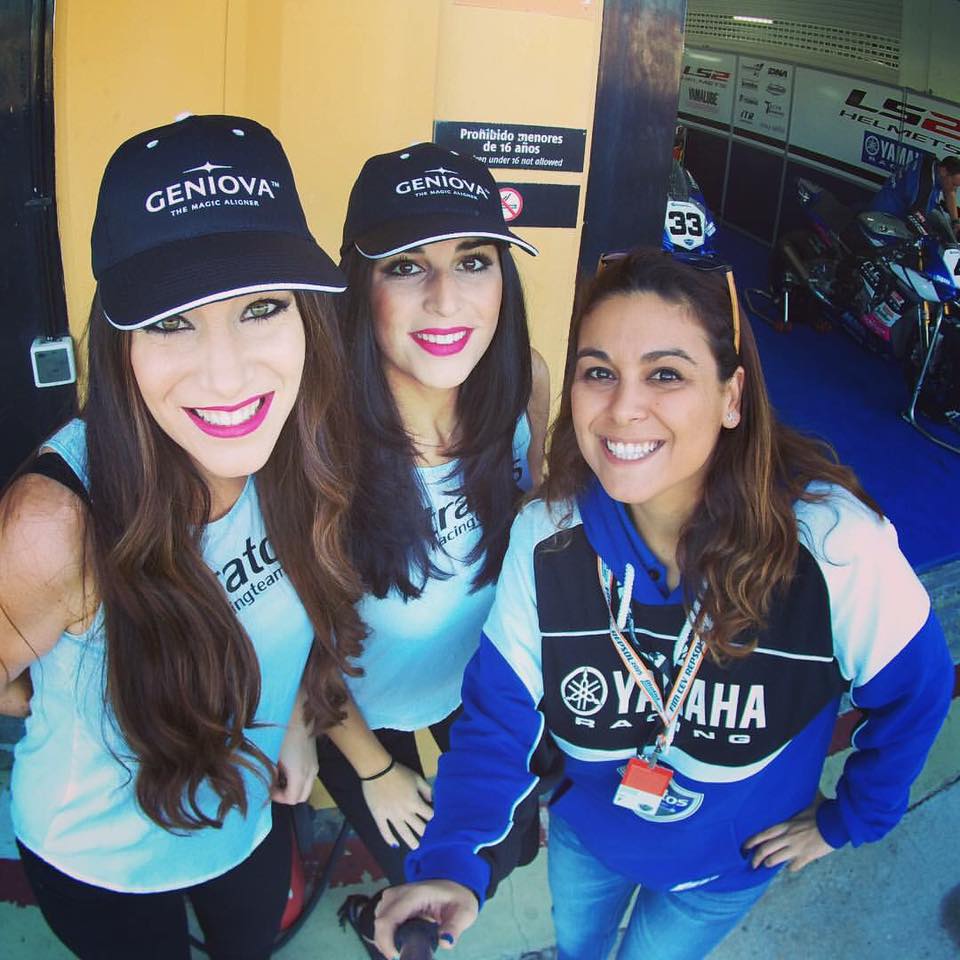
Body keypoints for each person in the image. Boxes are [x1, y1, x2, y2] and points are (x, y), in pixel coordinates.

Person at [372, 249, 953, 960]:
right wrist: (453, 863)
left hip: (729, 866)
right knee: (579, 947)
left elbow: (918, 693)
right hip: (588, 837)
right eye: (598, 372)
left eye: (666, 374)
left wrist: (848, 821)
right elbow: (499, 719)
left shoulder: (831, 546)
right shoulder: (547, 538)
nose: (623, 408)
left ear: (732, 396)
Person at [0, 114, 365, 960]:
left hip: (247, 819)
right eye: (172, 322)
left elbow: (300, 613)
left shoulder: (301, 448)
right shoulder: (56, 524)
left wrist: (297, 723)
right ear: (119, 343)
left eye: (262, 308)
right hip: (99, 859)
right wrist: (44, 696)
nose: (227, 375)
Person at [314, 142, 549, 944]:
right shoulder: (316, 447)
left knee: (510, 845)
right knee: (415, 872)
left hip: (478, 690)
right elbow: (297, 639)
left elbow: (535, 528)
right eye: (406, 267)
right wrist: (376, 769)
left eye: (474, 261)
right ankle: (371, 918)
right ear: (360, 286)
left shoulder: (522, 387)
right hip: (354, 711)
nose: (447, 300)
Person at [871, 153, 960, 238]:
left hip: (893, 201)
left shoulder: (933, 164)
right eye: (953, 184)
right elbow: (919, 219)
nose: (954, 188)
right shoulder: (923, 187)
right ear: (943, 171)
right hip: (885, 217)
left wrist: (955, 222)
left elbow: (949, 192)